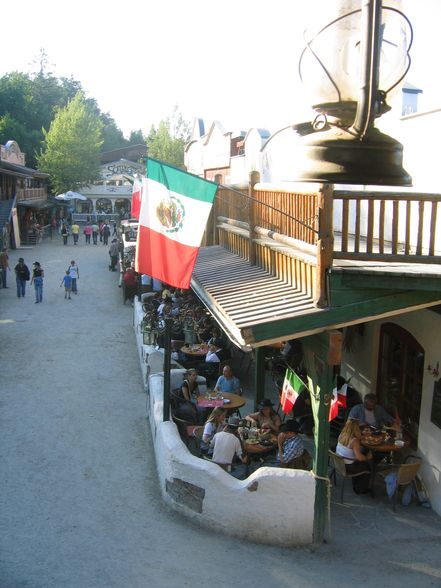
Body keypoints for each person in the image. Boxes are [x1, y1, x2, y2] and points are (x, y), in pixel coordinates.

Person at [336, 419, 372, 494]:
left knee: (363, 455)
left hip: (340, 463)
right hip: (349, 466)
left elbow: (351, 440)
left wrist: (362, 437)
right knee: (368, 466)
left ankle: (357, 483)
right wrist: (368, 458)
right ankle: (360, 489)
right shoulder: (355, 441)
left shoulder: (342, 434)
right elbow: (360, 458)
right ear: (356, 429)